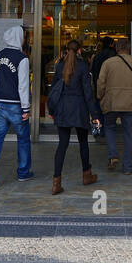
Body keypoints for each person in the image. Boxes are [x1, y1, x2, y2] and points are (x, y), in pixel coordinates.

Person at [0, 25, 33, 187]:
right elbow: (23, 86)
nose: (24, 39)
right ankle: (23, 172)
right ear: (18, 38)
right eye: (23, 36)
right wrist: (26, 108)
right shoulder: (22, 58)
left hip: (0, 105)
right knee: (23, 140)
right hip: (16, 106)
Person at [96, 37, 132, 175]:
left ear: (117, 49)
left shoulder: (108, 63)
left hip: (111, 101)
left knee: (109, 128)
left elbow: (101, 82)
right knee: (128, 134)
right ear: (128, 49)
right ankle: (128, 167)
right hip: (130, 102)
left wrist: (99, 96)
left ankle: (113, 155)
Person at [48, 39, 99, 195]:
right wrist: (94, 115)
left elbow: (54, 89)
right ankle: (86, 175)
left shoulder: (60, 66)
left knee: (62, 145)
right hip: (79, 108)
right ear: (79, 51)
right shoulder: (83, 67)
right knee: (83, 142)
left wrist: (52, 109)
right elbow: (88, 93)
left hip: (63, 108)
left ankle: (56, 182)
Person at [90, 36, 116, 101]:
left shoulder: (97, 56)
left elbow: (94, 71)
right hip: (112, 87)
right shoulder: (114, 54)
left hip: (100, 85)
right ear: (111, 44)